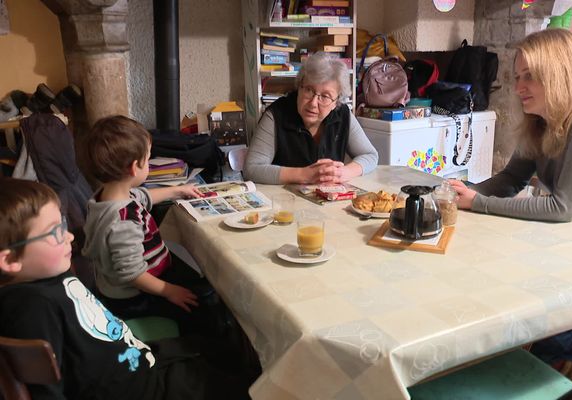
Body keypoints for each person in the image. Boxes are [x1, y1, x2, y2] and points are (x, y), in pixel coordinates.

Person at [0, 178, 252, 399]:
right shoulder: (30, 308)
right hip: (140, 389)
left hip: (137, 360)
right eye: (55, 232)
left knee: (226, 349)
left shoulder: (46, 271)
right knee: (248, 386)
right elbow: (45, 389)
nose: (69, 237)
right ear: (10, 260)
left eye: (63, 224)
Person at [449, 29, 572, 380]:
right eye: (517, 77)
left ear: (560, 71)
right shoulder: (541, 123)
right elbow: (508, 180)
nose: (518, 88)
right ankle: (561, 354)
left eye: (530, 76)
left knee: (518, 282)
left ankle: (568, 351)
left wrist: (479, 204)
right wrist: (459, 193)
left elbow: (562, 207)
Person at [81, 115, 223, 336]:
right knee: (203, 304)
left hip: (140, 277)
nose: (149, 164)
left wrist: (177, 190)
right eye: (147, 160)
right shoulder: (123, 220)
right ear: (133, 168)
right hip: (134, 296)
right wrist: (170, 291)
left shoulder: (106, 197)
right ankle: (210, 354)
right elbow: (131, 274)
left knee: (201, 281)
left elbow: (144, 196)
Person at [244, 51, 379, 184]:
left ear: (336, 102)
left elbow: (370, 155)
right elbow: (252, 169)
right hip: (283, 202)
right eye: (309, 90)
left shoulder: (343, 114)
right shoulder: (276, 115)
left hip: (327, 200)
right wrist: (304, 174)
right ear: (299, 87)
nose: (313, 103)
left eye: (325, 96)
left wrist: (344, 172)